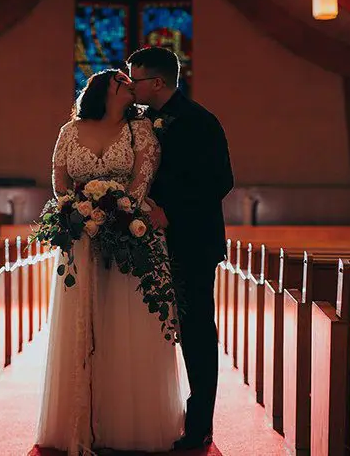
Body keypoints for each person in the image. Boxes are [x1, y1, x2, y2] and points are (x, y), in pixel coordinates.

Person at [35, 69, 187, 455]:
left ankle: (128, 422)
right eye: (123, 81)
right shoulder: (69, 131)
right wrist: (77, 210)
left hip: (131, 231)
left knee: (127, 324)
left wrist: (121, 212)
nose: (130, 86)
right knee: (83, 322)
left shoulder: (141, 130)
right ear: (104, 89)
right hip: (82, 238)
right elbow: (59, 179)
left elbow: (142, 177)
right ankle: (79, 420)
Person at [127, 47, 234, 450]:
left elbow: (220, 180)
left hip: (191, 240)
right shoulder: (136, 121)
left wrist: (171, 212)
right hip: (142, 240)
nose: (128, 84)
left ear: (156, 82)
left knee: (196, 329)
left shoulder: (200, 122)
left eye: (133, 78)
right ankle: (144, 414)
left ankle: (199, 422)